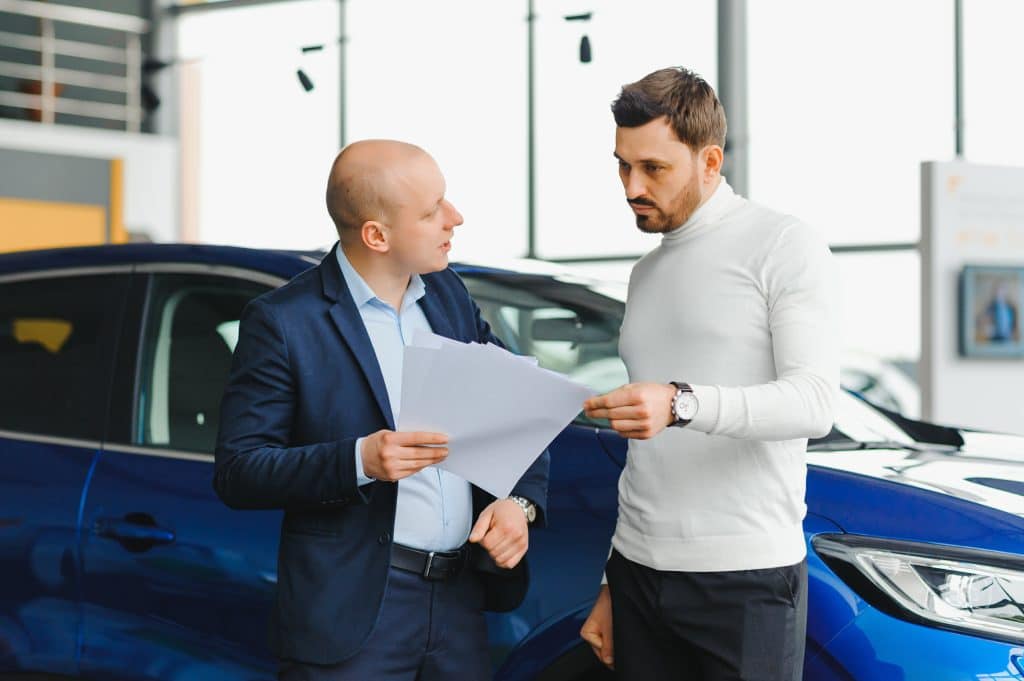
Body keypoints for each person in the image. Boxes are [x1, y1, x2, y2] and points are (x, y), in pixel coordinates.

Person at [214, 139, 550, 681]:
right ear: (377, 235)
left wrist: (519, 502)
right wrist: (359, 461)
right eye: (432, 210)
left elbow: (515, 408)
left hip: (460, 603)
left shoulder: (448, 297)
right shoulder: (283, 322)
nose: (455, 218)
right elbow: (238, 472)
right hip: (353, 613)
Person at [579, 67, 838, 681]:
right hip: (639, 575)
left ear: (710, 161)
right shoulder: (646, 274)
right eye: (622, 165)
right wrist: (612, 578)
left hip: (744, 581)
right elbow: (652, 460)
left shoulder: (783, 244)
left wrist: (680, 403)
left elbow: (814, 402)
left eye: (653, 168)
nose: (630, 186)